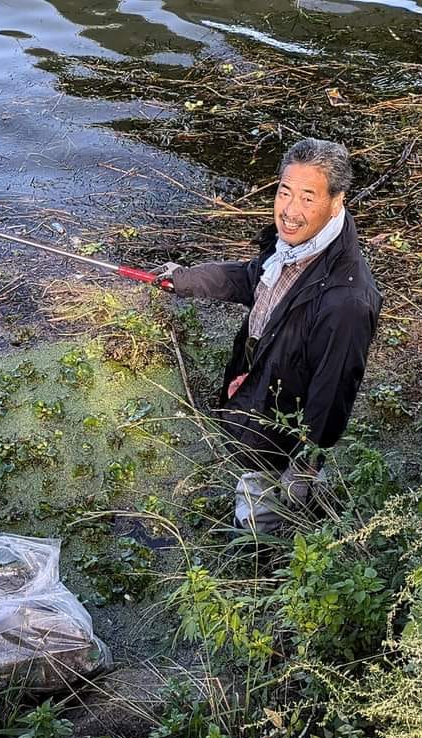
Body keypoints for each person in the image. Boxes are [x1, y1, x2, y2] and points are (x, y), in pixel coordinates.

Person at [155, 138, 381, 529]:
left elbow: (332, 396)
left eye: (308, 198)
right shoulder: (297, 245)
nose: (290, 211)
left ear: (336, 201)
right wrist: (188, 280)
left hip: (281, 434)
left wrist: (305, 465)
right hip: (261, 393)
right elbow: (253, 279)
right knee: (255, 475)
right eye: (284, 192)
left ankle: (265, 543)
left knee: (266, 515)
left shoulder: (347, 302)